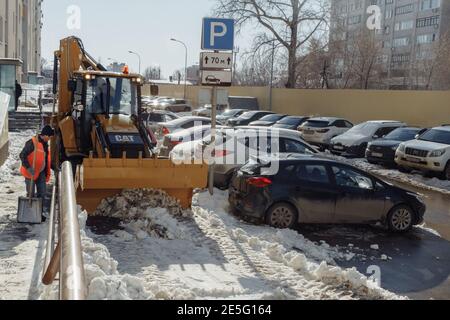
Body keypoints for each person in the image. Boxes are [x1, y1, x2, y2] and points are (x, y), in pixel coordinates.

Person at [19, 126, 55, 216]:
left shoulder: (45, 144)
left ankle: (39, 214)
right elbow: (22, 155)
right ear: (45, 135)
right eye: (49, 137)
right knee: (31, 194)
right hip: (30, 173)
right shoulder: (32, 142)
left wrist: (54, 167)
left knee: (42, 193)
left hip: (40, 173)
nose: (50, 139)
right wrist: (28, 167)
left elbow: (46, 159)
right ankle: (30, 214)